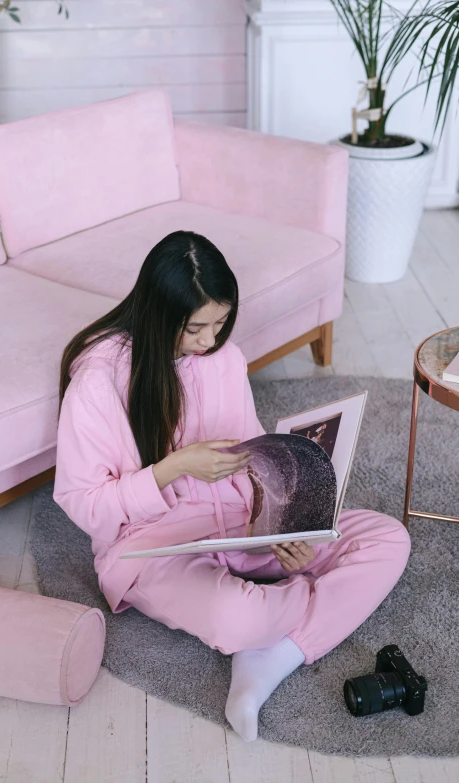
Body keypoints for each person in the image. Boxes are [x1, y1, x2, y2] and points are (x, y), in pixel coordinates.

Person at [53, 230, 411, 743]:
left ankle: (273, 654)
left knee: (387, 537)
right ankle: (280, 630)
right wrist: (172, 469)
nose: (209, 341)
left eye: (221, 323)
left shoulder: (224, 357)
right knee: (235, 616)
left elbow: (251, 456)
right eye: (196, 328)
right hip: (157, 549)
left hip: (244, 531)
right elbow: (82, 503)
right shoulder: (98, 382)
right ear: (158, 314)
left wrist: (287, 530)